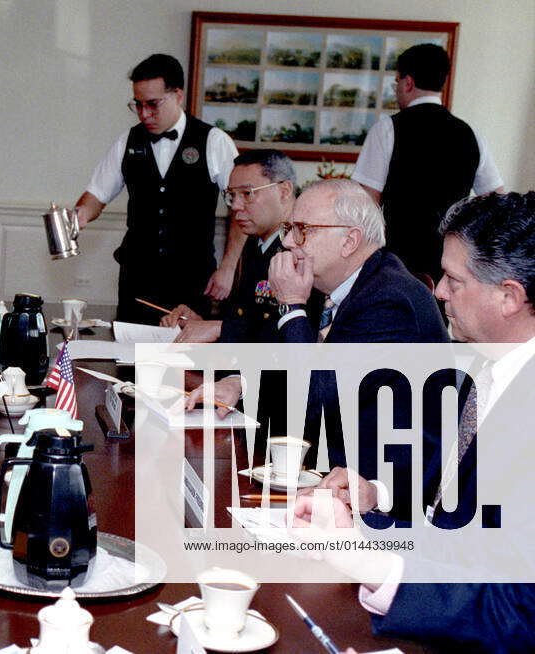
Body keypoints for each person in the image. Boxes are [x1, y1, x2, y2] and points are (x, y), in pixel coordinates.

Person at [295, 192, 535, 652]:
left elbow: (519, 610)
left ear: (509, 297)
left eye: (453, 280)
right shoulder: (487, 368)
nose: (439, 291)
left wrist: (377, 569)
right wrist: (374, 495)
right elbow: (449, 508)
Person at [188, 179, 447, 465]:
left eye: (302, 230)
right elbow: (290, 365)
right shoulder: (327, 286)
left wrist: (291, 304)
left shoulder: (389, 301)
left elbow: (314, 400)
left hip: (373, 479)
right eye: (289, 229)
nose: (287, 242)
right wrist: (240, 384)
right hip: (320, 455)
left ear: (349, 241)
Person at [74, 54, 241, 324]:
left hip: (193, 282)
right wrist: (79, 216)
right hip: (137, 281)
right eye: (137, 105)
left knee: (186, 362)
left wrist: (229, 267)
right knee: (129, 361)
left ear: (178, 95)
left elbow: (241, 207)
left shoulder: (213, 141)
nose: (144, 114)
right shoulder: (128, 141)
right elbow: (96, 195)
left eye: (153, 104)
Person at [352, 43, 503, 287]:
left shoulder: (387, 130)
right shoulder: (471, 134)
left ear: (408, 83)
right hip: (448, 267)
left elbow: (364, 206)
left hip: (393, 262)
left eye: (397, 82)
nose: (397, 89)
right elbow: (497, 204)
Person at [160, 149, 297, 343]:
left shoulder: (304, 247)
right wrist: (201, 323)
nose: (235, 206)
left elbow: (296, 335)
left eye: (247, 193)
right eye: (232, 195)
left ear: (284, 191)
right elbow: (247, 320)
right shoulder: (255, 241)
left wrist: (220, 329)